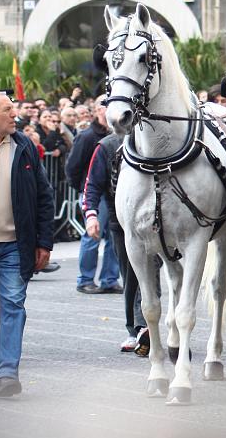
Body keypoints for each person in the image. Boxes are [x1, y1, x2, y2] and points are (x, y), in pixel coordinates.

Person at [0, 90, 55, 397]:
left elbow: (44, 196)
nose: (16, 114)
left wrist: (44, 242)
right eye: (8, 109)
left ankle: (7, 371)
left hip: (15, 244)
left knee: (13, 304)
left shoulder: (23, 146)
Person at [82, 133, 148, 352]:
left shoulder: (156, 138)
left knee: (149, 274)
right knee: (131, 275)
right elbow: (92, 184)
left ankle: (145, 327)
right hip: (120, 222)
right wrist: (91, 215)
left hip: (156, 221)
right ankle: (137, 328)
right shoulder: (107, 145)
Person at [65, 99, 121, 295]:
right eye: (105, 106)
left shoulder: (118, 135)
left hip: (111, 194)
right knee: (92, 236)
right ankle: (85, 279)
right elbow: (72, 167)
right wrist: (82, 189)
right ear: (98, 110)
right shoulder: (88, 136)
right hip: (94, 193)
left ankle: (109, 279)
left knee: (114, 237)